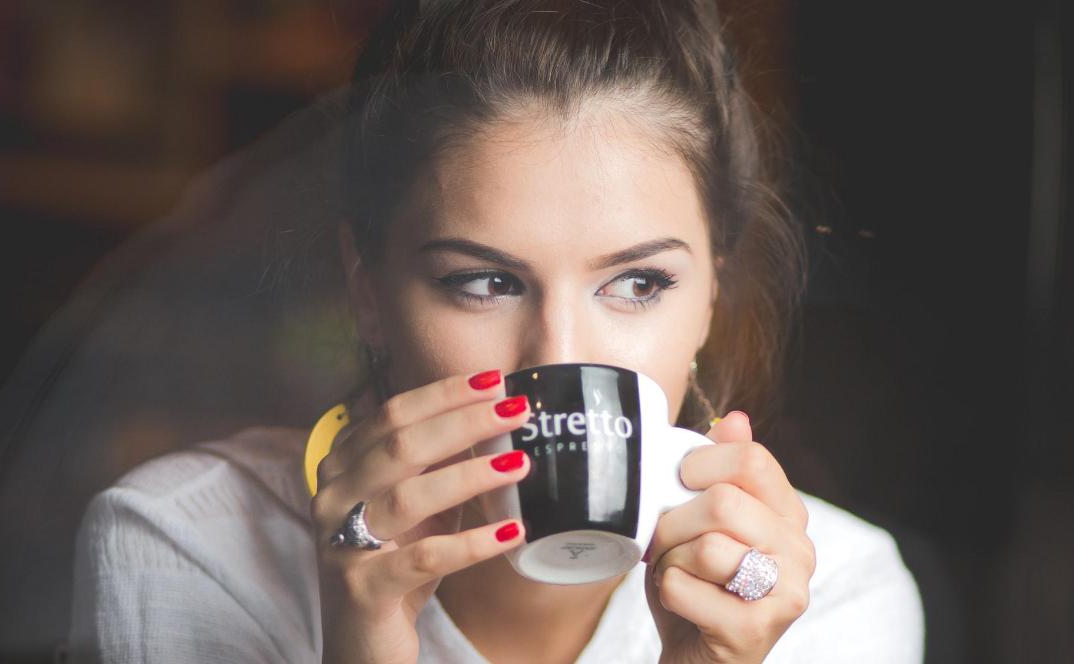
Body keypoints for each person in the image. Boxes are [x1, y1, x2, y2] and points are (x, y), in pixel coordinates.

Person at [67, 0, 924, 662]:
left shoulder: (833, 591)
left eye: (637, 283)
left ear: (710, 299)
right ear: (368, 291)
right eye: (484, 282)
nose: (558, 356)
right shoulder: (186, 543)